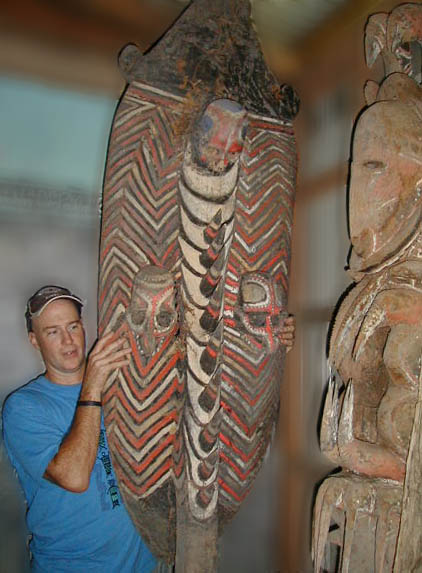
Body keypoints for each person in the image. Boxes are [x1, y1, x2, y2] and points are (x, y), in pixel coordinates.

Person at [2, 285, 158, 572]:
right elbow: (74, 478)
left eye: (72, 326)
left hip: (141, 564)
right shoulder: (23, 408)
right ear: (34, 341)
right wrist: (94, 383)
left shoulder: (120, 383)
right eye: (52, 332)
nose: (68, 340)